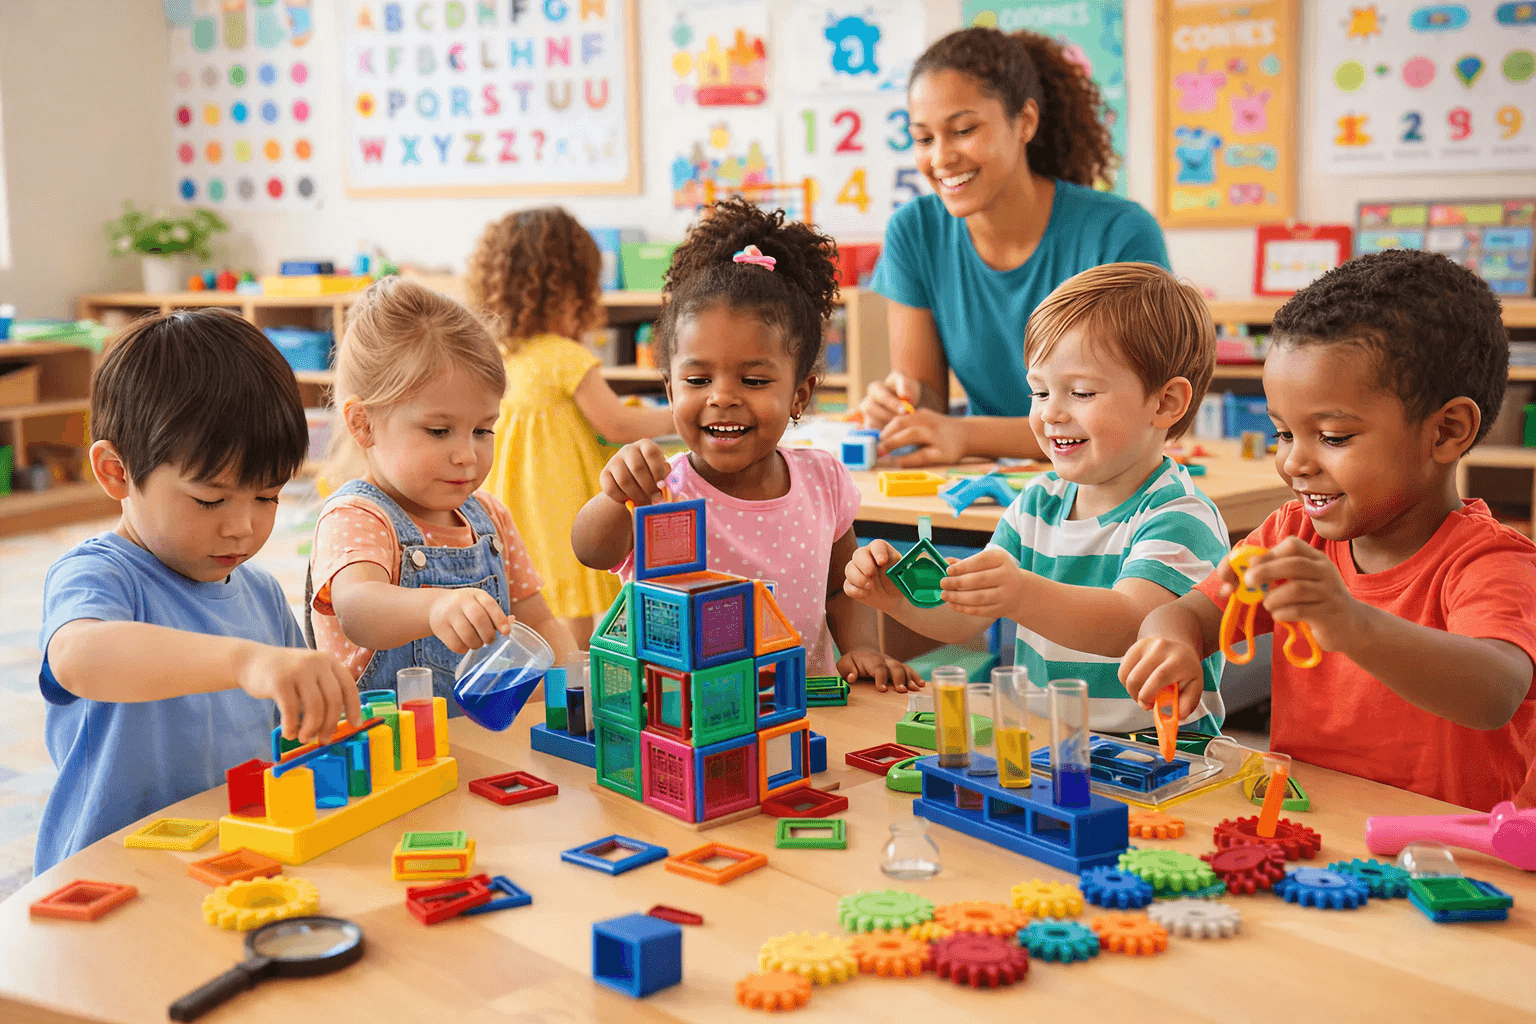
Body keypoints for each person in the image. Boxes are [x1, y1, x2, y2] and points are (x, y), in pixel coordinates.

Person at [1120, 250, 1536, 812]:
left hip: (1455, 858)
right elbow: (1189, 614)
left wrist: (1351, 623)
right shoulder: (1291, 536)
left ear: (1447, 431)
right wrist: (1170, 640)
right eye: (1284, 433)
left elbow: (1495, 693)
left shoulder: (1490, 563)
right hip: (1313, 829)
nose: (1294, 463)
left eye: (1333, 436)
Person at [36, 309, 360, 872]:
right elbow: (77, 658)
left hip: (230, 858)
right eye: (210, 500)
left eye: (267, 497)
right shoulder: (100, 576)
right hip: (112, 871)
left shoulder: (257, 593)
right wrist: (242, 661)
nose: (242, 527)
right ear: (116, 472)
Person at [846, 263, 1227, 730]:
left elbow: (1132, 624)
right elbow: (965, 618)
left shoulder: (1179, 516)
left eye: (1081, 393)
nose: (1051, 413)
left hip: (1157, 755)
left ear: (1166, 403)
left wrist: (1019, 593)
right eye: (1039, 391)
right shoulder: (1036, 502)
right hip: (1050, 744)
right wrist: (897, 598)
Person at [571, 199, 919, 691]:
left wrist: (861, 648)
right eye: (697, 379)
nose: (722, 398)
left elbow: (842, 588)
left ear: (799, 395)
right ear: (670, 392)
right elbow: (590, 549)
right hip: (684, 719)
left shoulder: (824, 480)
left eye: (754, 380)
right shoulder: (660, 488)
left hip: (802, 715)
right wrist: (613, 497)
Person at [861, 26, 1169, 467]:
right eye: (924, 138)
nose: (941, 158)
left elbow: (1131, 416)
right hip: (991, 486)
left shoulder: (1119, 233)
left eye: (963, 130)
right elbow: (925, 402)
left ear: (1024, 121)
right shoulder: (914, 232)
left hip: (1105, 486)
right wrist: (900, 406)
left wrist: (965, 435)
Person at [308, 277, 575, 706]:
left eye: (483, 430)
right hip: (389, 758)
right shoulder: (356, 516)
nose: (467, 455)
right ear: (363, 424)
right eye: (439, 431)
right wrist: (434, 608)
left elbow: (539, 622)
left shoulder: (489, 517)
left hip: (484, 743)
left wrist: (578, 683)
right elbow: (358, 609)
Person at [467, 208, 675, 647]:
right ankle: (574, 687)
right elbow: (615, 423)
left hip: (515, 503)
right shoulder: (564, 355)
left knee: (532, 600)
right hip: (560, 508)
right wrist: (683, 415)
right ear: (571, 289)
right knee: (573, 610)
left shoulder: (505, 354)